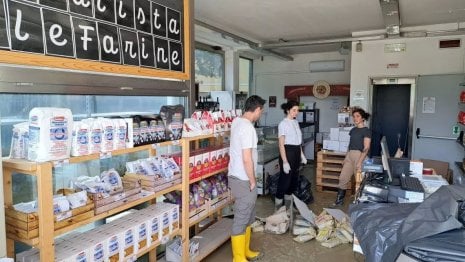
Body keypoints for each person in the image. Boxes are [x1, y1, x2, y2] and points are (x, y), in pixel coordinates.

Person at [228, 95, 266, 262]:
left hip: (238, 177)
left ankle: (246, 251)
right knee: (242, 217)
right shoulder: (248, 128)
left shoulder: (237, 121)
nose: (261, 115)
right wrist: (252, 180)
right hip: (243, 179)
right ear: (257, 109)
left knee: (249, 215)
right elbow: (246, 158)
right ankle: (238, 258)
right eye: (261, 111)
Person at [333, 107, 371, 206]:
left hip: (360, 156)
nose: (355, 118)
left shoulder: (366, 131)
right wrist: (346, 157)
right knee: (343, 178)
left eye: (357, 116)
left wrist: (359, 162)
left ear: (363, 118)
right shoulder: (353, 130)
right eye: (354, 116)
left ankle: (359, 204)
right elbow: (350, 145)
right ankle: (339, 202)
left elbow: (366, 148)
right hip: (350, 156)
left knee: (359, 181)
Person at [275, 100, 307, 209]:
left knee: (293, 180)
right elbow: (281, 144)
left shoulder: (295, 122)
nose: (296, 112)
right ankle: (278, 207)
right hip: (287, 153)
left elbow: (298, 141)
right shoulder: (282, 124)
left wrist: (302, 155)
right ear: (288, 110)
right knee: (285, 180)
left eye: (297, 110)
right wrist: (284, 161)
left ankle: (288, 207)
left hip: (296, 152)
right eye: (294, 110)